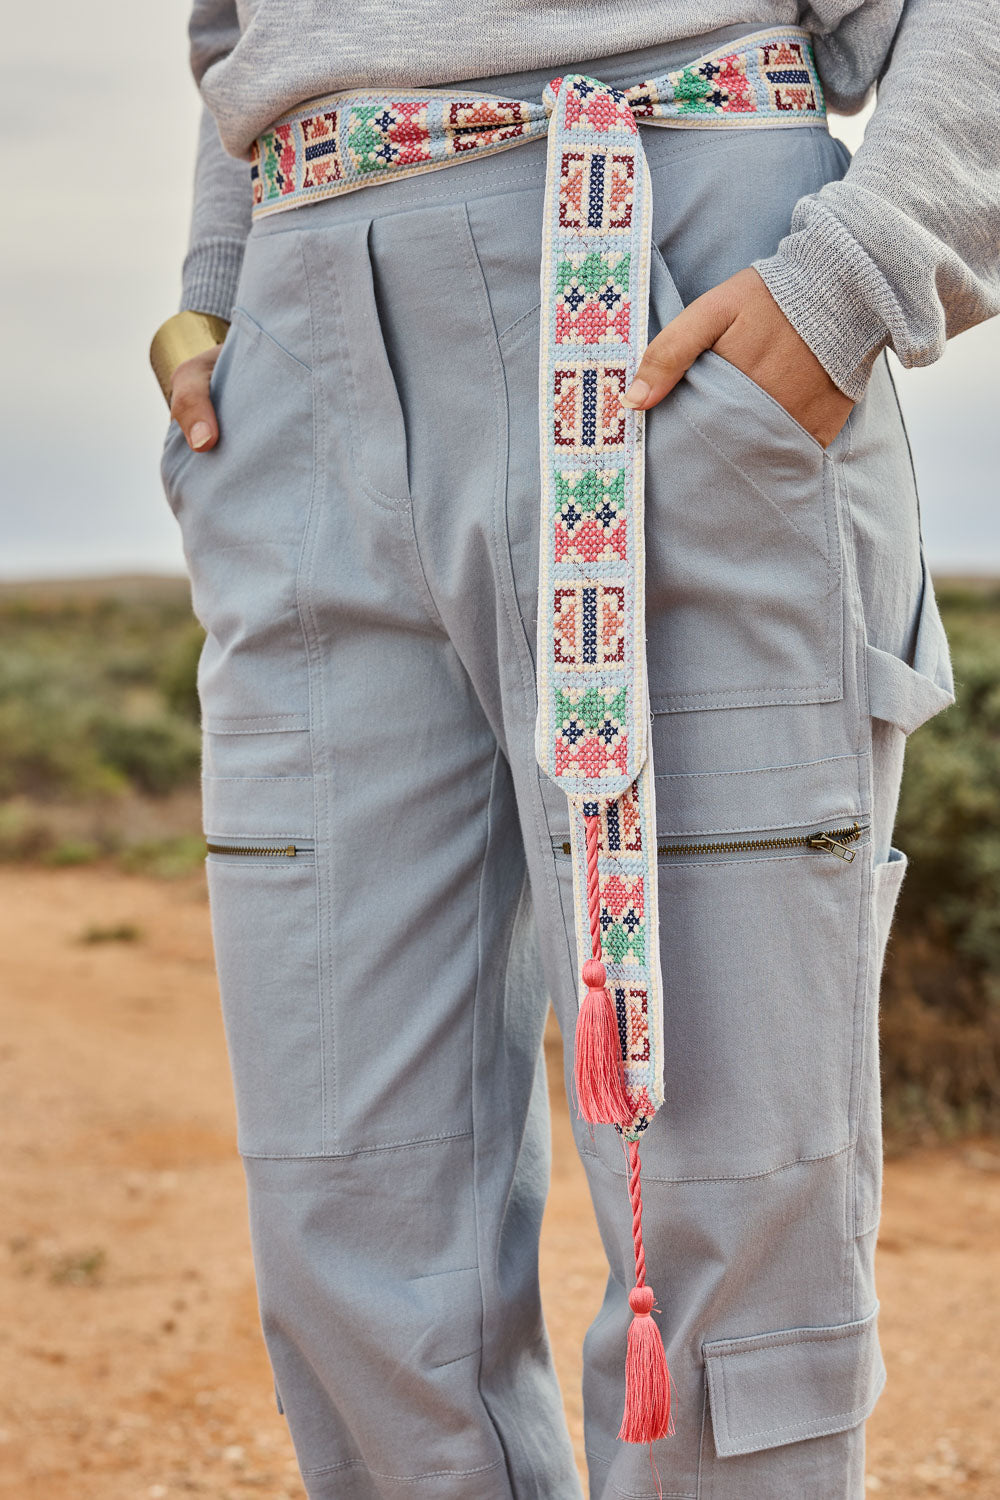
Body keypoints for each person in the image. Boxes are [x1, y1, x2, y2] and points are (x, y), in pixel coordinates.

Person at [150, 4, 997, 1497]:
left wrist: (860, 274)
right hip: (303, 360)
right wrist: (218, 283)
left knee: (728, 1223)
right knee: (346, 1222)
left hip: (669, 294)